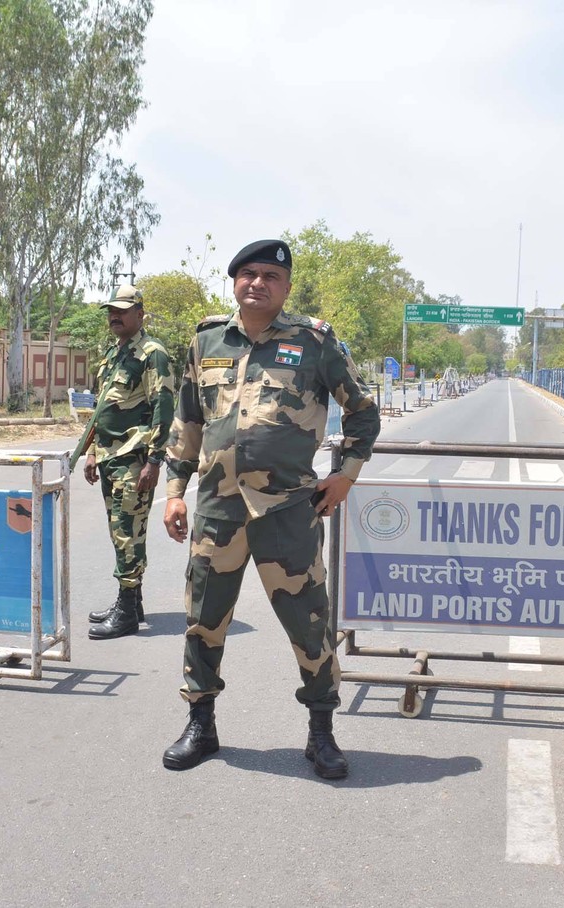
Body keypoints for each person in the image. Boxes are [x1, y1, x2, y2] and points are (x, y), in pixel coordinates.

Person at [160, 239, 380, 779]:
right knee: (204, 622)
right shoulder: (207, 339)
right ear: (234, 281)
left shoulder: (314, 341)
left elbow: (363, 414)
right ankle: (201, 725)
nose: (257, 283)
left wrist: (345, 476)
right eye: (248, 274)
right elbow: (187, 420)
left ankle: (322, 733)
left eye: (270, 276)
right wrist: (173, 489)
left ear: (285, 287)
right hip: (217, 511)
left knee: (310, 625)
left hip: (287, 510)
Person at [82, 284, 176, 640]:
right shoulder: (114, 353)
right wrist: (92, 452)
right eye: (111, 311)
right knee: (120, 531)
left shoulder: (152, 353)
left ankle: (126, 614)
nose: (115, 316)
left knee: (128, 532)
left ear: (140, 313)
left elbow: (163, 407)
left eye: (122, 310)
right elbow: (101, 407)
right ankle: (130, 602)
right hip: (109, 456)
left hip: (133, 458)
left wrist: (154, 459)